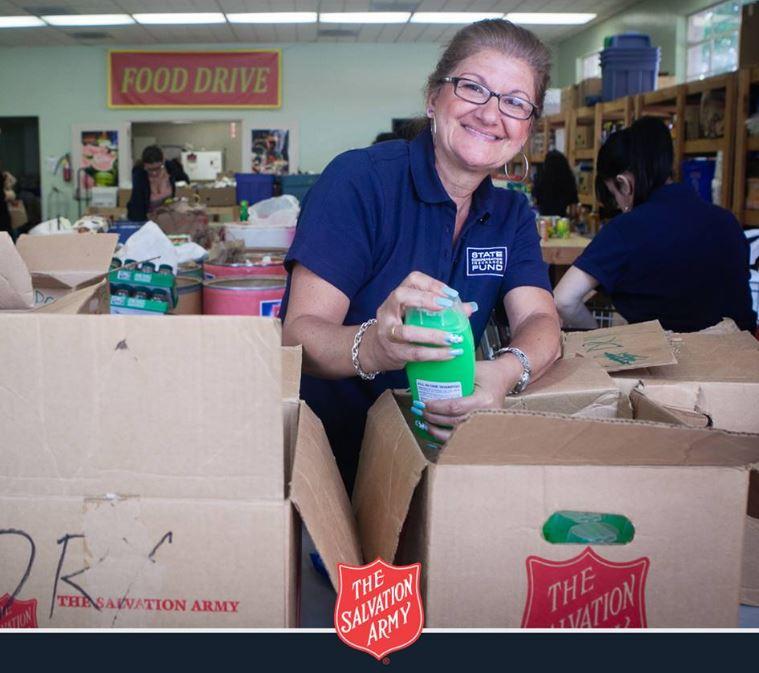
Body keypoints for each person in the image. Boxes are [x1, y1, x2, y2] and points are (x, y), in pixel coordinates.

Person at [281, 19, 562, 491]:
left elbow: (541, 320)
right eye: (474, 88)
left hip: (443, 460)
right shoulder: (359, 181)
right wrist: (376, 345)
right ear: (434, 98)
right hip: (335, 465)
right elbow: (299, 335)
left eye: (515, 102)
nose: (492, 114)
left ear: (527, 128)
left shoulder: (511, 212)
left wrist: (503, 374)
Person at [554, 116, 757, 332]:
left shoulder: (626, 229)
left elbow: (563, 299)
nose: (622, 207)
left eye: (615, 195)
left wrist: (600, 336)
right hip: (742, 357)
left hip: (669, 361)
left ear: (624, 183)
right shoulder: (727, 221)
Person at [126, 145, 188, 221]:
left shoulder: (171, 167)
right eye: (150, 169)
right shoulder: (139, 174)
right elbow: (138, 203)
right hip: (145, 217)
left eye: (158, 168)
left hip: (168, 217)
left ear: (163, 161)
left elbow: (185, 180)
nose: (154, 173)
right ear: (144, 165)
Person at [532, 149, 578, 217]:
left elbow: (534, 201)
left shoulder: (540, 178)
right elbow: (573, 211)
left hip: (544, 221)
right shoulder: (568, 179)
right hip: (561, 221)